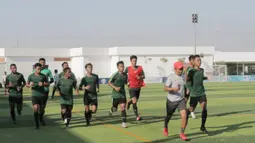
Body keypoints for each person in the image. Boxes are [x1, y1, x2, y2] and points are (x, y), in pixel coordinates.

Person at [186, 55, 208, 133]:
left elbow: (200, 78)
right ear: (194, 62)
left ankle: (202, 127)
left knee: (204, 108)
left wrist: (206, 78)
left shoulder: (202, 70)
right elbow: (187, 81)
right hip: (194, 94)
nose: (200, 62)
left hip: (202, 93)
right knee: (191, 109)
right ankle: (186, 114)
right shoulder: (191, 71)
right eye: (198, 60)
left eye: (200, 60)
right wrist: (189, 89)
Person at [26, 63, 49, 129]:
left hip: (42, 95)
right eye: (38, 69)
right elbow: (27, 85)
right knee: (35, 108)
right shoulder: (31, 76)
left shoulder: (43, 76)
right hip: (34, 95)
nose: (39, 70)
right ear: (35, 69)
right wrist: (30, 85)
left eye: (40, 69)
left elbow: (47, 84)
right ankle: (37, 124)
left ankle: (41, 118)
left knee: (42, 110)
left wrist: (43, 84)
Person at [125, 55, 145, 121]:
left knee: (135, 101)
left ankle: (128, 102)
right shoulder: (128, 68)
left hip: (138, 87)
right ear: (130, 61)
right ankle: (137, 116)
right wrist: (126, 82)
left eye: (135, 61)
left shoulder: (140, 68)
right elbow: (124, 76)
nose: (134, 62)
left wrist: (140, 77)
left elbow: (143, 76)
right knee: (135, 101)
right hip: (131, 87)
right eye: (133, 61)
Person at [108, 61, 128, 128]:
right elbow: (109, 83)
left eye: (123, 66)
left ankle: (123, 122)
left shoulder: (125, 75)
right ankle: (111, 110)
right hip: (115, 95)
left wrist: (128, 84)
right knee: (115, 109)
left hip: (122, 94)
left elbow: (126, 82)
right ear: (118, 67)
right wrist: (115, 87)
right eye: (121, 66)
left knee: (123, 107)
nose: (122, 67)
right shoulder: (115, 75)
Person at [38, 58, 54, 125]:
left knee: (43, 106)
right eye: (41, 62)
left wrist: (46, 83)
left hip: (45, 90)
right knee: (38, 106)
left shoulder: (48, 71)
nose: (42, 63)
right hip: (37, 91)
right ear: (39, 63)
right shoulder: (35, 70)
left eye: (43, 62)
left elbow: (52, 80)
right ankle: (38, 117)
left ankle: (41, 118)